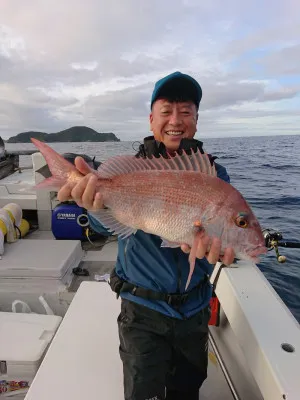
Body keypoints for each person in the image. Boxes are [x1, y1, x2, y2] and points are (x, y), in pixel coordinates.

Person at [57, 71, 235, 400]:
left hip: (194, 309)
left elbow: (228, 235)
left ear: (196, 119)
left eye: (186, 111)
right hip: (141, 311)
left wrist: (228, 248)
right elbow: (99, 229)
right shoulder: (130, 168)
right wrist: (93, 206)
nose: (175, 121)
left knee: (187, 390)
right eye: (166, 111)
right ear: (151, 118)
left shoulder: (214, 175)